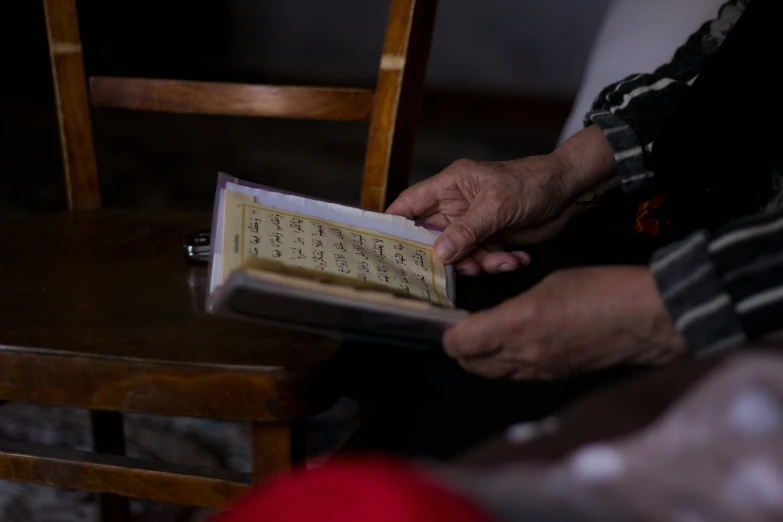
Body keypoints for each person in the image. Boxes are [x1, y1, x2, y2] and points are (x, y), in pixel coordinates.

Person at [386, 0, 783, 380]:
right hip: (675, 222)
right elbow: (721, 66)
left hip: (739, 305)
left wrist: (658, 310)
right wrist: (561, 174)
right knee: (416, 327)